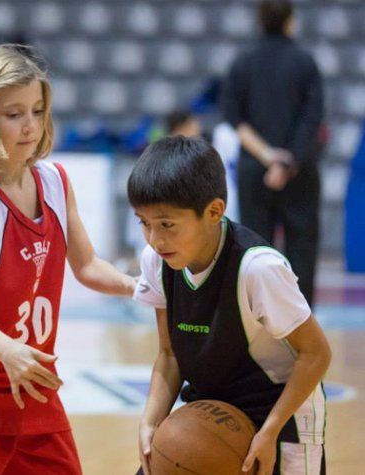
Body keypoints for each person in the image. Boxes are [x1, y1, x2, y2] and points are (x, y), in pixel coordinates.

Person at [0, 44, 136, 475]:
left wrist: (137, 287)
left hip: (31, 381)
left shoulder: (54, 181)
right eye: (14, 114)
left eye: (37, 110)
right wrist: (4, 347)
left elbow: (87, 265)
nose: (30, 125)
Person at [130, 137, 331, 475]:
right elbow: (169, 354)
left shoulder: (258, 269)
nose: (154, 239)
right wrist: (151, 421)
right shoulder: (157, 260)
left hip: (282, 411)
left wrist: (269, 432)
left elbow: (316, 354)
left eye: (166, 224)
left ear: (214, 211)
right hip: (212, 410)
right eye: (144, 223)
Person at [221, 0, 324, 305]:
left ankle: (258, 320)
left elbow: (234, 119)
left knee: (256, 250)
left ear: (260, 21)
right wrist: (288, 161)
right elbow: (312, 118)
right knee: (302, 247)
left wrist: (268, 158)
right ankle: (301, 326)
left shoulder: (242, 63)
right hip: (300, 170)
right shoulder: (306, 62)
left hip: (256, 170)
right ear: (290, 21)